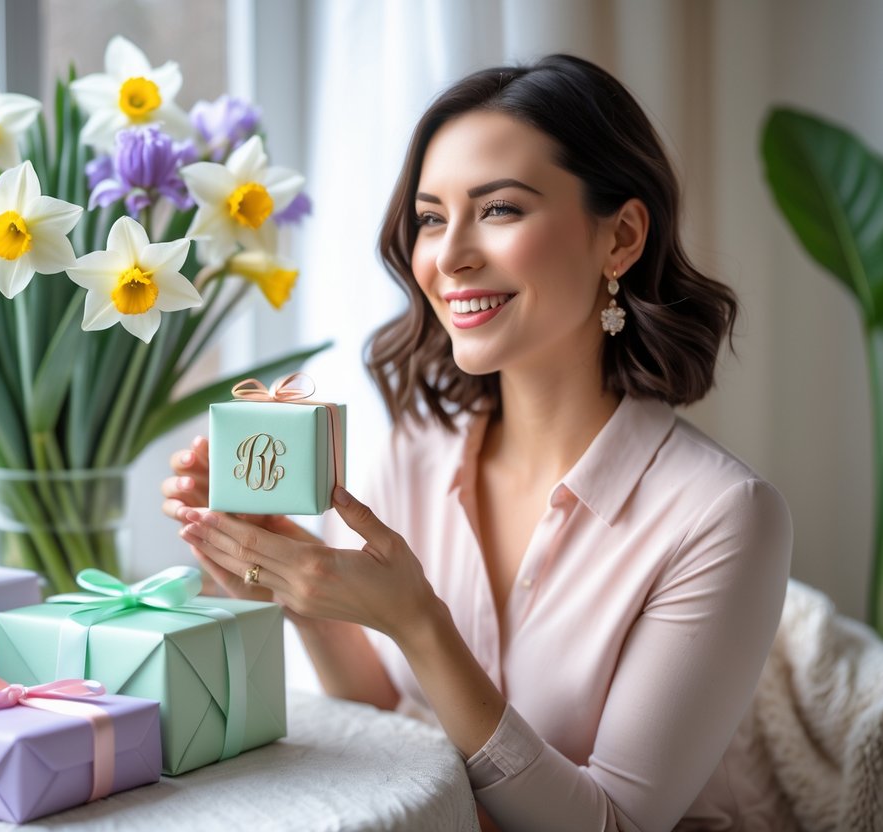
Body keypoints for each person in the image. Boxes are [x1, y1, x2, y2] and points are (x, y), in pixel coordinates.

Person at [162, 53, 794, 831]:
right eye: (431, 217)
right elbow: (391, 725)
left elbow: (613, 824)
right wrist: (304, 594)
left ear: (621, 237)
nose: (449, 255)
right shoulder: (415, 453)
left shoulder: (722, 516)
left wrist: (419, 622)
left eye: (498, 209)